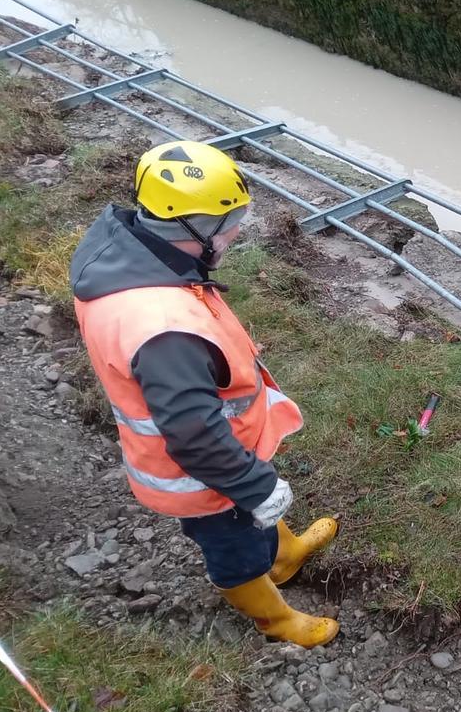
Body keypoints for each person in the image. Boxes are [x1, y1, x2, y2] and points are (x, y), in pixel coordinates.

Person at [70, 140, 339, 648]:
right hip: (202, 479)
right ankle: (275, 618)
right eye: (230, 221)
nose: (237, 231)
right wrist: (253, 486)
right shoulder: (165, 329)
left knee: (255, 523)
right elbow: (194, 438)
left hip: (226, 454)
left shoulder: (132, 255)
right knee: (235, 549)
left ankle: (284, 557)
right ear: (193, 227)